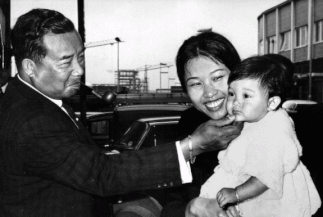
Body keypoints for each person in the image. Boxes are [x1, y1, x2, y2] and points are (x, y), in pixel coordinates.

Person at [0, 9, 243, 217]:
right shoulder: (31, 120)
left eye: (80, 57)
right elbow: (102, 174)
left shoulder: (39, 101)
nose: (79, 70)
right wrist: (194, 145)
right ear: (30, 67)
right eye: (66, 62)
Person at [199, 54, 322, 216]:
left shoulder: (274, 131)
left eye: (246, 96)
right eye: (231, 94)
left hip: (269, 203)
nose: (236, 102)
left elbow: (266, 177)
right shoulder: (255, 119)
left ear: (272, 103)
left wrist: (236, 194)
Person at [161, 31, 243, 217]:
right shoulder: (188, 124)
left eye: (217, 78)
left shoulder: (270, 123)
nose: (209, 92)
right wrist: (190, 209)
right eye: (196, 84)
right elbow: (170, 202)